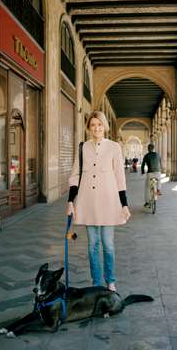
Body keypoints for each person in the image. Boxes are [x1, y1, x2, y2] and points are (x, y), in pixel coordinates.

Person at [66, 111, 131, 292]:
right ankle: (96, 283)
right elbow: (75, 176)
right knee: (92, 244)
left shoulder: (114, 147)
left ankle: (110, 281)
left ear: (105, 127)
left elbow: (120, 177)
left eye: (100, 125)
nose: (96, 128)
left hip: (109, 202)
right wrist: (70, 202)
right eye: (93, 125)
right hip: (88, 202)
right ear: (88, 127)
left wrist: (124, 204)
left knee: (107, 244)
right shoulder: (82, 148)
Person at [141, 143, 162, 208]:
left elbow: (143, 165)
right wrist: (160, 170)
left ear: (148, 149)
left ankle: (147, 203)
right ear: (153, 148)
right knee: (159, 180)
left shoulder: (146, 156)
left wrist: (142, 172)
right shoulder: (158, 155)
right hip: (157, 172)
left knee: (147, 188)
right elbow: (160, 163)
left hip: (150, 173)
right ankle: (158, 189)